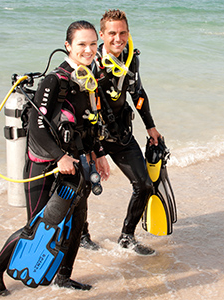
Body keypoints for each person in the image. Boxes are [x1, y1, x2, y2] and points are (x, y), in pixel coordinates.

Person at [0, 20, 109, 297]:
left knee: (76, 222)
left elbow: (88, 124)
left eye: (92, 44)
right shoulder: (55, 80)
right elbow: (37, 129)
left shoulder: (88, 77)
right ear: (68, 46)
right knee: (38, 227)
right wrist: (60, 156)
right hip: (46, 166)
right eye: (81, 44)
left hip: (76, 165)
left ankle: (64, 277)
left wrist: (98, 154)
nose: (88, 50)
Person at [79, 9, 162, 256]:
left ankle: (127, 237)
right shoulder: (89, 62)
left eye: (122, 33)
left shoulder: (130, 58)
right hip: (92, 137)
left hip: (120, 132)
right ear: (102, 35)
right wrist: (93, 149)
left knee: (144, 184)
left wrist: (150, 125)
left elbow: (138, 93)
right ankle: (81, 235)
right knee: (83, 189)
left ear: (128, 33)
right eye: (112, 33)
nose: (118, 38)